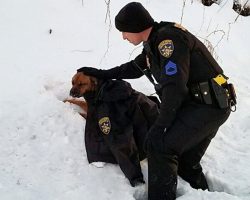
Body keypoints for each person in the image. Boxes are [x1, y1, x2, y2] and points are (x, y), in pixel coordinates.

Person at [77, 2, 236, 200]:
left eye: (124, 31)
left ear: (135, 27)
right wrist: (100, 74)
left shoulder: (168, 41)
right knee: (185, 161)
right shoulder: (155, 41)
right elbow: (135, 68)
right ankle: (201, 195)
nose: (123, 37)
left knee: (159, 145)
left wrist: (161, 125)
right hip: (208, 104)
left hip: (207, 107)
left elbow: (174, 87)